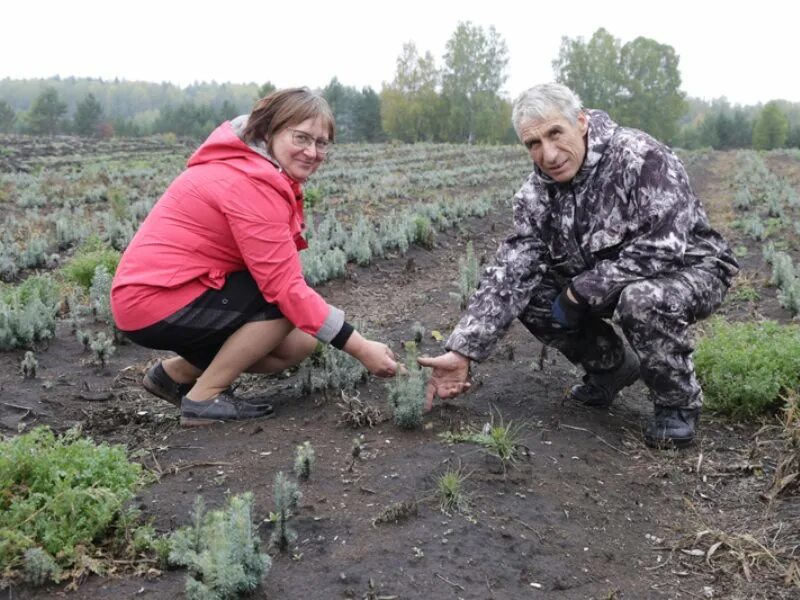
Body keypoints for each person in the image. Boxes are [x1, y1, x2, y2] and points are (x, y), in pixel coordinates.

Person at [418, 82, 738, 449]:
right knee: (530, 292)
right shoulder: (536, 192)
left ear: (582, 122)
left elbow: (662, 247)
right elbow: (512, 270)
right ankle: (611, 367)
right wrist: (462, 351)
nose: (549, 154)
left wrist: (581, 289)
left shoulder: (641, 158)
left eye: (555, 133)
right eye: (533, 144)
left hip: (690, 268)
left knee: (641, 300)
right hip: (603, 272)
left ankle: (676, 402)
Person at [111, 88, 398, 426]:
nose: (312, 152)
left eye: (321, 143)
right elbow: (285, 289)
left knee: (297, 344)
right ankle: (204, 398)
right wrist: (361, 348)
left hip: (166, 293)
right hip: (153, 300)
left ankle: (173, 376)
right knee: (281, 303)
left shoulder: (253, 167)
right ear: (271, 131)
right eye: (301, 138)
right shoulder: (251, 181)